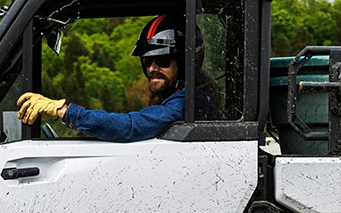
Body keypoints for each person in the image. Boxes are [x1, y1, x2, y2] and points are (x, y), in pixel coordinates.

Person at [16, 14, 215, 141]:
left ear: (186, 63)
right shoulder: (187, 97)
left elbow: (130, 127)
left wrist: (63, 111)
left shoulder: (186, 103)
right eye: (147, 61)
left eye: (162, 60)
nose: (152, 68)